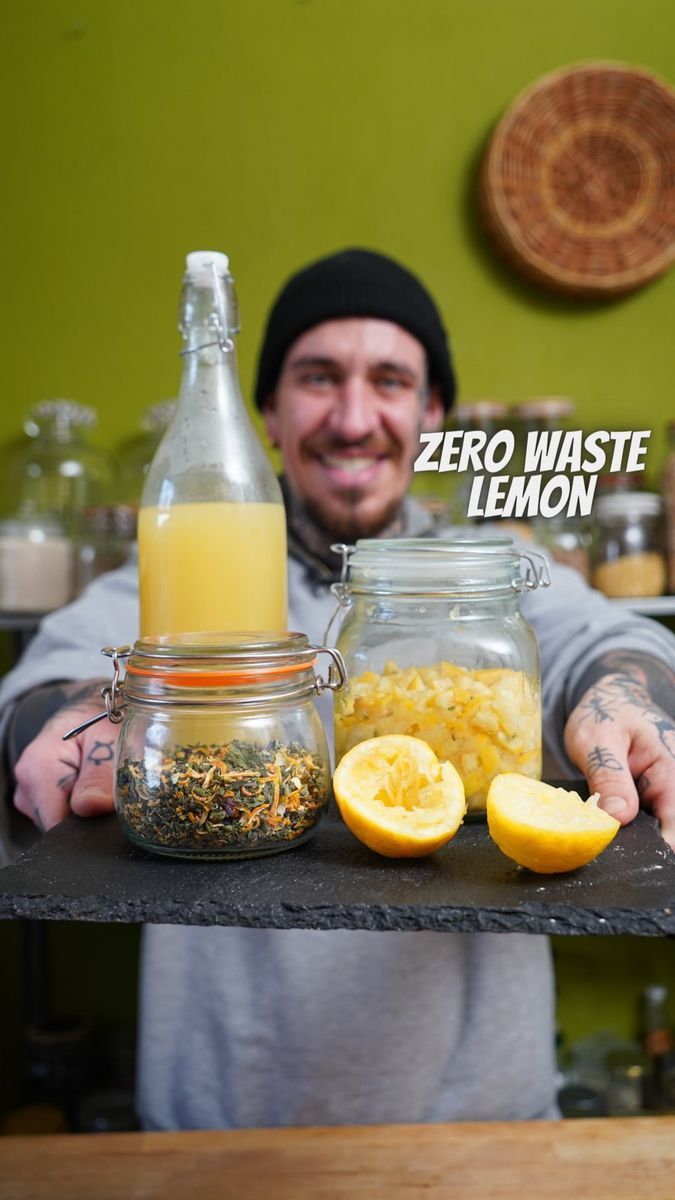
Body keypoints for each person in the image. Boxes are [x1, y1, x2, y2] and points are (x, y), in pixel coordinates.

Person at [2, 248, 674, 1130]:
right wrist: (73, 714)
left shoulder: (482, 569)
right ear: (270, 416)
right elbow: (52, 672)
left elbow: (611, 639)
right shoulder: (198, 559)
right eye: (318, 378)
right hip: (225, 1110)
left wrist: (625, 693)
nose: (354, 418)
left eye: (389, 381)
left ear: (431, 414)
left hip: (479, 1115)